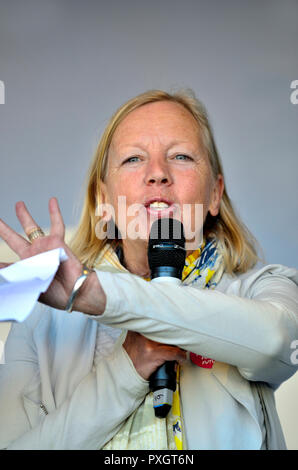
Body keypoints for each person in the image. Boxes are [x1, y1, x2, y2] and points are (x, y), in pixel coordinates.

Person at [0, 89, 297, 450]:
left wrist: (95, 294)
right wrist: (126, 370)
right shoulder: (39, 323)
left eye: (182, 156)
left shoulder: (264, 289)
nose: (158, 173)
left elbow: (276, 342)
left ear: (215, 194)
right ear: (104, 200)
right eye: (134, 159)